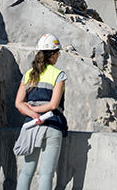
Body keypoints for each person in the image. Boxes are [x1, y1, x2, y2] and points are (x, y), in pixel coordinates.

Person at [14, 33, 68, 190]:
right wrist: (38, 113)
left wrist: (32, 114)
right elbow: (53, 105)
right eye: (57, 53)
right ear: (53, 55)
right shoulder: (59, 75)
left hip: (31, 126)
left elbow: (18, 103)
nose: (58, 56)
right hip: (53, 125)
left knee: (26, 172)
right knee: (46, 174)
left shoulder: (28, 75)